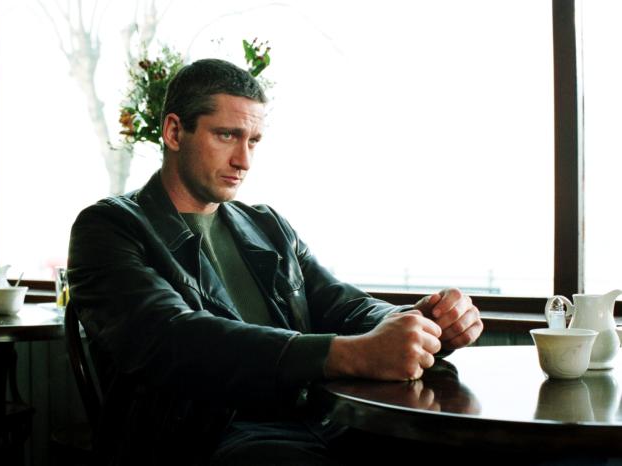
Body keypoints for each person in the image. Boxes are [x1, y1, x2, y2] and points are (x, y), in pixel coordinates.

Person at [67, 58, 483, 465]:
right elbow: (174, 339)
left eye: (253, 141)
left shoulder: (267, 226)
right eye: (227, 136)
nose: (243, 160)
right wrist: (348, 354)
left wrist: (421, 323)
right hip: (201, 440)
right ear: (174, 132)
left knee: (462, 449)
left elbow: (343, 304)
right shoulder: (108, 227)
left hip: (314, 419)